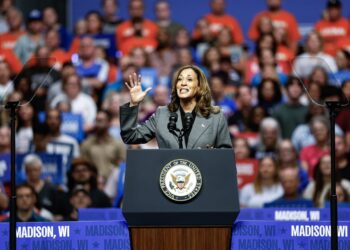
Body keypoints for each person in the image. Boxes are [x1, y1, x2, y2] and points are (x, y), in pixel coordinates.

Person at [120, 64, 232, 149]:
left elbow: (225, 155)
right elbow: (130, 137)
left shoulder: (216, 117)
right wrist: (133, 104)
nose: (183, 83)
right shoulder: (162, 114)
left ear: (199, 87)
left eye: (189, 79)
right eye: (179, 79)